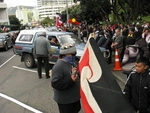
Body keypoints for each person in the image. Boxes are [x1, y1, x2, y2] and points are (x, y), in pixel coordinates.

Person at [51, 43, 81, 113]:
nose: (74, 56)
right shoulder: (58, 66)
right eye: (73, 54)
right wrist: (71, 80)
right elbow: (55, 83)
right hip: (65, 101)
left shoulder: (72, 62)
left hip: (74, 98)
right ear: (67, 54)